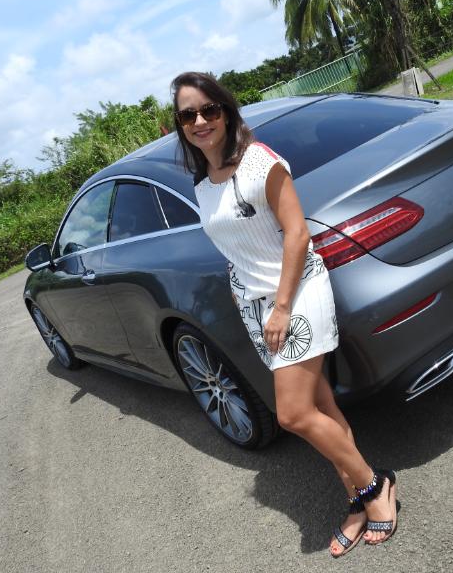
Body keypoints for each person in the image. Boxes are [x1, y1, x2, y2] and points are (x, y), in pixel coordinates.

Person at [170, 71, 398, 557]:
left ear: (226, 111)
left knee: (293, 414)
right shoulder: (203, 185)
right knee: (322, 408)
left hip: (294, 295)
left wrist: (280, 307)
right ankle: (357, 501)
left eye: (209, 109)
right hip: (259, 307)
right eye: (188, 115)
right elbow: (236, 248)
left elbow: (297, 234)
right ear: (181, 125)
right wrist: (246, 297)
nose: (200, 121)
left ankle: (375, 485)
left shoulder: (260, 162)